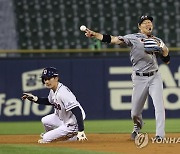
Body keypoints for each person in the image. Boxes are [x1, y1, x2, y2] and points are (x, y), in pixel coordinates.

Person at [83, 15, 170, 141]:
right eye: (144, 22)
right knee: (135, 112)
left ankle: (160, 136)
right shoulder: (133, 38)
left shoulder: (157, 40)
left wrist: (165, 51)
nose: (148, 24)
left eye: (149, 22)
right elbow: (114, 40)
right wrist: (96, 35)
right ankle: (137, 128)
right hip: (139, 78)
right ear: (139, 27)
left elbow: (166, 61)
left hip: (155, 76)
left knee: (159, 106)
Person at [22, 67, 88, 143]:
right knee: (45, 120)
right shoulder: (53, 90)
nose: (46, 81)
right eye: (45, 79)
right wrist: (35, 99)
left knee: (46, 138)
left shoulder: (62, 93)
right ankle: (59, 135)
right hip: (63, 119)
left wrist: (81, 130)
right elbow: (50, 101)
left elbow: (77, 110)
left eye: (49, 78)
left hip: (73, 123)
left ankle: (72, 136)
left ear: (56, 78)